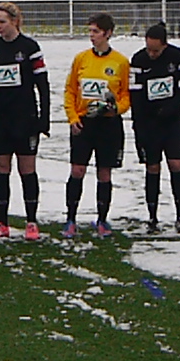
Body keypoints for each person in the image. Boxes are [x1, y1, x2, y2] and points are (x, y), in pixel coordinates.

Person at [0, 1, 52, 239]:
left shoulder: (30, 47)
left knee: (27, 169)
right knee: (0, 168)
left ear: (15, 21)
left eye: (2, 22)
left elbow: (42, 85)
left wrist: (44, 119)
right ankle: (1, 223)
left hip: (24, 119)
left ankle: (31, 222)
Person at [63, 12, 131, 238]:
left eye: (96, 32)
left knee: (105, 173)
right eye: (90, 31)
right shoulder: (81, 59)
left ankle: (102, 220)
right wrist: (73, 118)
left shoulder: (120, 62)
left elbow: (125, 96)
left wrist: (115, 109)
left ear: (108, 34)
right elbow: (71, 91)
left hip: (108, 126)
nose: (91, 36)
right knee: (77, 170)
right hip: (84, 124)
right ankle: (70, 219)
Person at [128, 20, 180, 233]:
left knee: (176, 165)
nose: (152, 54)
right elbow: (135, 95)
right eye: (148, 49)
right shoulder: (138, 60)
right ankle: (152, 217)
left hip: (172, 122)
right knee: (152, 167)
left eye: (156, 50)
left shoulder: (177, 56)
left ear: (164, 45)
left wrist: (173, 106)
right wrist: (138, 127)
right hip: (149, 125)